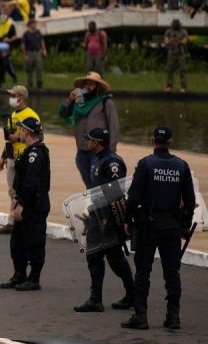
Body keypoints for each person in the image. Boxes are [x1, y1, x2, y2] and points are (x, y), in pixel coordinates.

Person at [122, 126, 196, 330]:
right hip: (172, 225)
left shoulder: (146, 164)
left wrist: (127, 219)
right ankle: (173, 317)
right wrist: (185, 225)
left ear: (152, 139)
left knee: (143, 271)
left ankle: (141, 316)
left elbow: (134, 196)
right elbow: (189, 201)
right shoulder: (182, 166)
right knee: (172, 272)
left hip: (149, 225)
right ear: (170, 142)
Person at [73, 127, 135, 313]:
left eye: (90, 140)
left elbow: (115, 192)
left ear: (97, 143)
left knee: (114, 258)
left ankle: (131, 294)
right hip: (96, 214)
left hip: (107, 217)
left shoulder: (112, 162)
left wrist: (109, 218)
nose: (87, 142)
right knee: (94, 256)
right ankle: (96, 299)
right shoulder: (96, 159)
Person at [0, 117, 49, 291]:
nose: (18, 132)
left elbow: (31, 182)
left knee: (34, 240)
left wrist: (20, 204)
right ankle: (19, 274)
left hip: (34, 204)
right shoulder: (29, 151)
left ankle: (34, 278)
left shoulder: (36, 153)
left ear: (26, 132)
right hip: (24, 200)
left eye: (21, 130)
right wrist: (16, 198)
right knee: (17, 241)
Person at [58, 72, 120, 187]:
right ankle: (94, 204)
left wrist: (111, 151)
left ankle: (100, 205)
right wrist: (70, 99)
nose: (87, 87)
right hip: (81, 152)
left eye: (91, 84)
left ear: (98, 87)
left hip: (99, 153)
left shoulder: (106, 102)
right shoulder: (78, 101)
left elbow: (114, 127)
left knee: (99, 185)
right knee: (90, 186)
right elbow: (62, 113)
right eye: (86, 84)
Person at [0, 85, 40, 235]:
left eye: (14, 95)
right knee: (12, 190)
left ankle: (18, 220)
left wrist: (18, 137)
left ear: (22, 96)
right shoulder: (12, 114)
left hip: (25, 157)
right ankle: (13, 220)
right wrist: (3, 157)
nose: (11, 98)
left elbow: (37, 136)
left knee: (23, 189)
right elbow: (9, 139)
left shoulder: (30, 115)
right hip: (12, 157)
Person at [163, 19, 188, 93]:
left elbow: (185, 41)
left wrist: (178, 40)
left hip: (180, 52)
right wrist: (171, 40)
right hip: (171, 51)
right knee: (169, 69)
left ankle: (183, 87)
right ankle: (169, 86)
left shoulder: (183, 31)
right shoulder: (168, 31)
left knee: (182, 69)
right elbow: (166, 41)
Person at [20, 19, 46, 89]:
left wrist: (44, 50)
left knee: (39, 68)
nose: (34, 25)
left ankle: (39, 83)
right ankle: (30, 84)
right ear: (29, 25)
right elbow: (23, 45)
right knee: (29, 69)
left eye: (35, 23)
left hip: (37, 52)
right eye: (33, 24)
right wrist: (25, 55)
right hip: (29, 53)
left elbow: (42, 41)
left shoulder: (38, 32)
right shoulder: (26, 34)